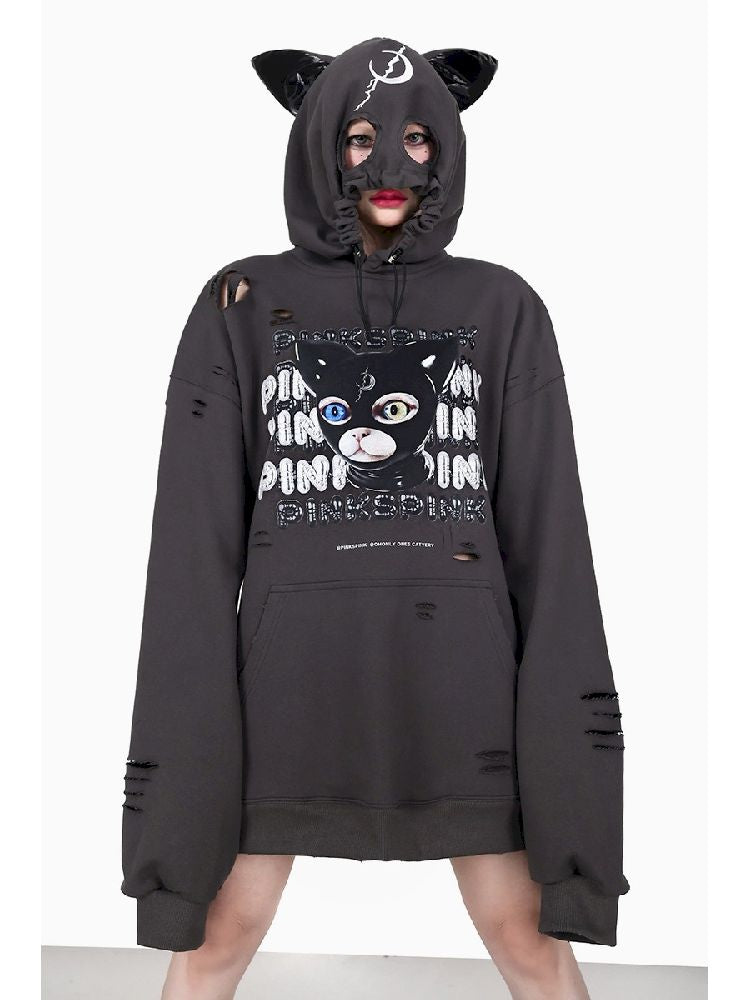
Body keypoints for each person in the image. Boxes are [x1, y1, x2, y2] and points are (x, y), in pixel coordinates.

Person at [121, 38, 630, 1000]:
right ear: (319, 145)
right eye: (359, 138)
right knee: (220, 930)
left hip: (465, 690)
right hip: (285, 688)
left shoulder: (502, 307)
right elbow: (192, 550)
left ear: (449, 150)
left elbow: (549, 543)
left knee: (525, 936)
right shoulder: (241, 302)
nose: (391, 164)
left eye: (418, 141)